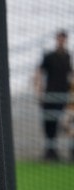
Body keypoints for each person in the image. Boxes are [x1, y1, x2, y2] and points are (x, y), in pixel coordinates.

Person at [34, 29, 72, 161]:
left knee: (60, 123)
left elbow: (70, 75)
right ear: (57, 39)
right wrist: (39, 90)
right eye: (59, 38)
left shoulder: (67, 57)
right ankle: (50, 151)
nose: (61, 41)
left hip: (63, 95)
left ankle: (57, 151)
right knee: (48, 123)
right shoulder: (49, 56)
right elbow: (39, 71)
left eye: (63, 38)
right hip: (49, 94)